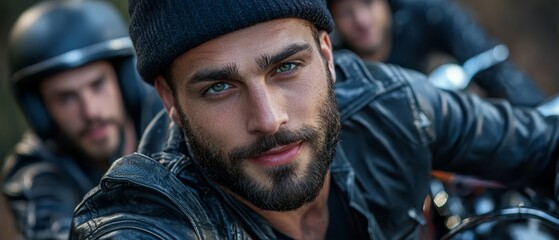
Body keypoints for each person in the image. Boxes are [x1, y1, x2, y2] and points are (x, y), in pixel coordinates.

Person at [71, 0, 559, 239]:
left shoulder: (392, 104)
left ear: (327, 56)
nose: (268, 119)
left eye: (286, 67)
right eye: (218, 86)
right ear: (169, 98)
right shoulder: (154, 212)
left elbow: (544, 145)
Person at [1, 1, 162, 239]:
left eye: (97, 85)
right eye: (66, 98)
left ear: (124, 81)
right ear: (42, 111)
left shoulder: (174, 123)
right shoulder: (36, 172)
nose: (91, 112)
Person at [327, 0, 546, 107]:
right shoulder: (334, 64)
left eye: (368, 2)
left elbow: (488, 61)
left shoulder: (425, 16)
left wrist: (539, 116)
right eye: (346, 12)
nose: (362, 20)